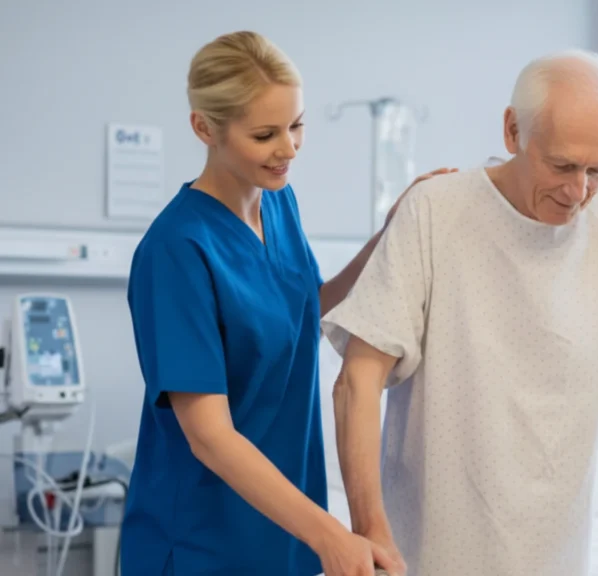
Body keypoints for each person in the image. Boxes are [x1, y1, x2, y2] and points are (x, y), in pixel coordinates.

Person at [320, 48, 598, 576]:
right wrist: (370, 529)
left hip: (556, 558)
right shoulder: (435, 211)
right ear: (513, 131)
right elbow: (357, 381)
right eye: (562, 166)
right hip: (426, 557)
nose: (578, 192)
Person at [121, 30, 451, 576]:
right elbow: (209, 435)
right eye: (265, 134)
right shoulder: (176, 250)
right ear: (205, 128)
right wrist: (331, 533)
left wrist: (389, 234)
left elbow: (305, 311)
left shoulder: (278, 203)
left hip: (284, 534)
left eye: (297, 125)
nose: (289, 148)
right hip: (203, 543)